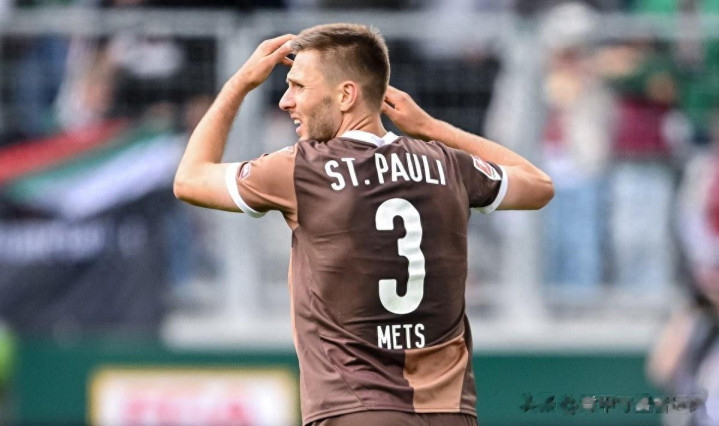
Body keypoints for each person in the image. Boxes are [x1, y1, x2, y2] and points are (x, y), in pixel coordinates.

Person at [174, 23, 553, 426]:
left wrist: (240, 83)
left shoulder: (303, 169)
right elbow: (538, 185)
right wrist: (431, 128)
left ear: (346, 95)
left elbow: (189, 180)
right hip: (450, 412)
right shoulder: (447, 165)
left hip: (355, 408)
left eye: (299, 86)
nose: (286, 101)